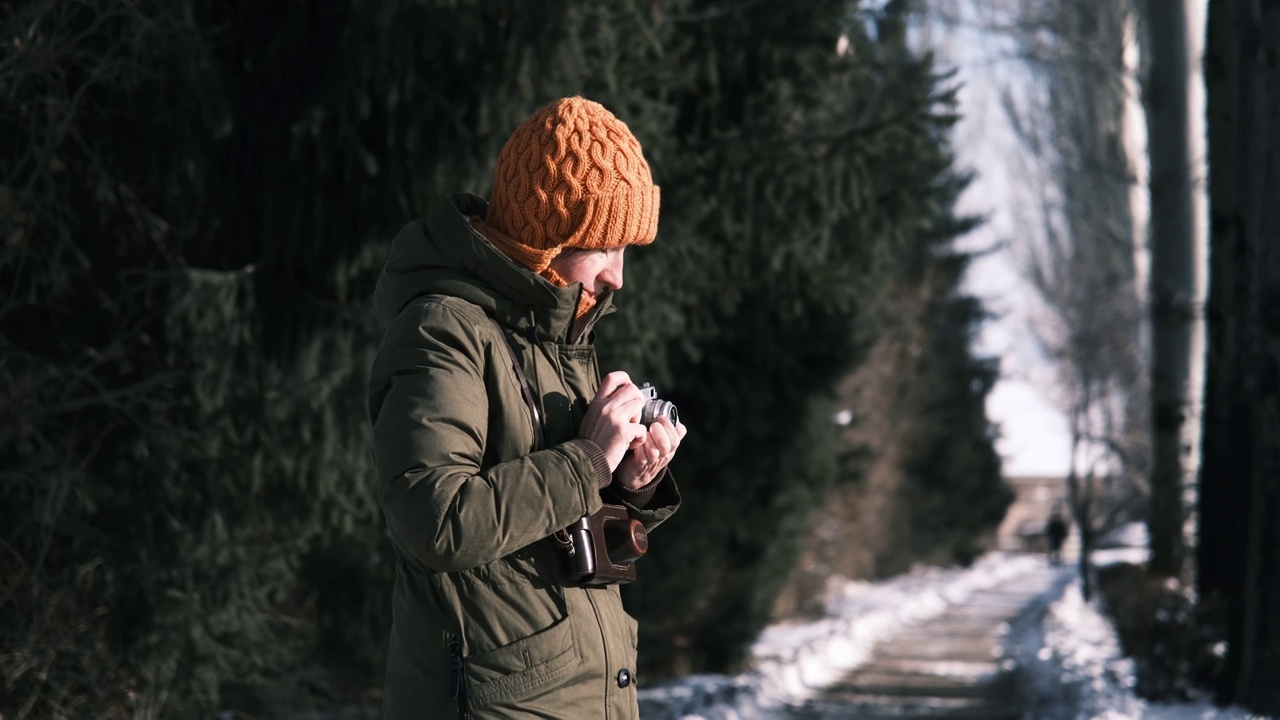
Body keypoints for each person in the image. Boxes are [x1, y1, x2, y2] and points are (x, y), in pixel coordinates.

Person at [368, 96, 686, 719]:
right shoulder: (444, 330)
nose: (619, 276)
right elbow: (435, 520)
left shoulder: (564, 342)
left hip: (584, 697)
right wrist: (588, 460)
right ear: (547, 234)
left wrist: (629, 486)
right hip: (491, 702)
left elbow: (556, 542)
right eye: (605, 246)